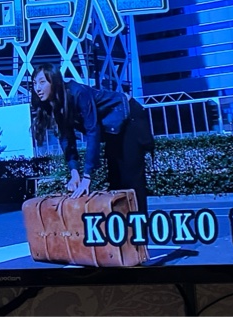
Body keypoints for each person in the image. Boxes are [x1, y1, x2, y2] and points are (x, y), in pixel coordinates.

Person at [30, 63, 154, 213]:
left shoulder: (78, 92)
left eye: (42, 82)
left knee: (131, 179)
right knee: (115, 180)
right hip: (114, 129)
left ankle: (139, 224)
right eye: (34, 83)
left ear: (54, 81)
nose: (37, 88)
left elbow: (92, 131)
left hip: (129, 116)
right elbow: (66, 138)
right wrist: (74, 173)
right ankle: (122, 225)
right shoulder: (55, 103)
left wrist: (87, 177)